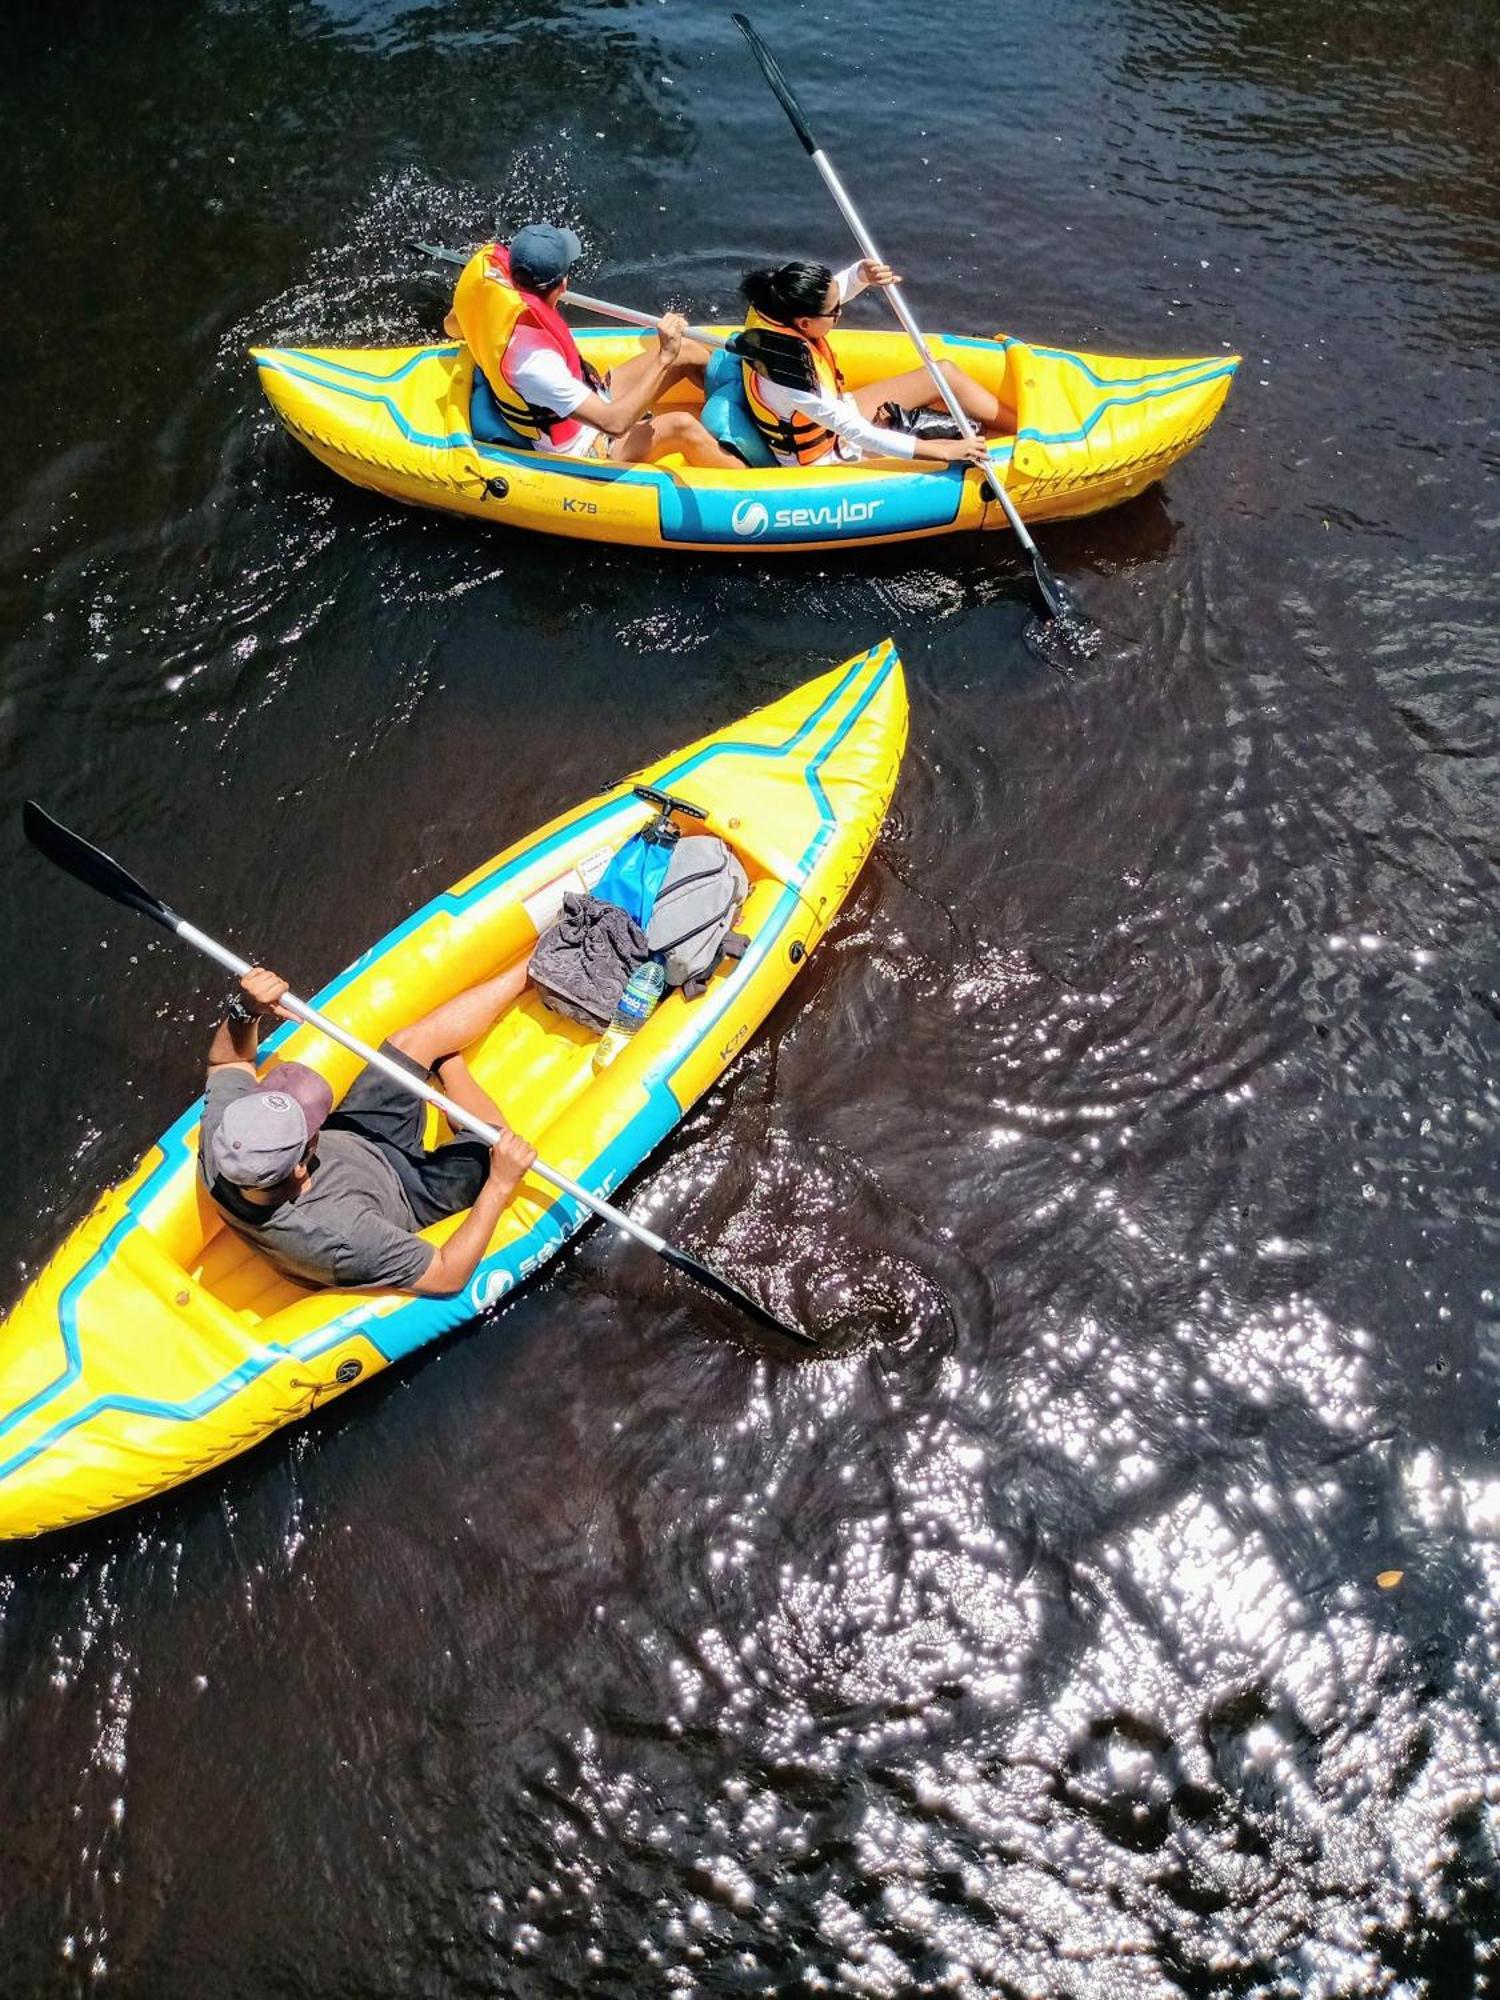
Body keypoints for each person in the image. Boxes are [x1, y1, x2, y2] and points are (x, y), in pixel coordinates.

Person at [198, 962, 537, 1297]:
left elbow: (228, 1063)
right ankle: (449, 1064)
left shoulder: (223, 1136)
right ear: (300, 1165)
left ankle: (532, 969)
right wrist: (499, 1185)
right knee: (493, 1143)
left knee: (410, 1043)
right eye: (310, 1123)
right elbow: (447, 1275)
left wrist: (246, 1010)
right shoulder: (338, 1237)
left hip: (355, 1138)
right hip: (410, 1195)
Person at [445, 222, 741, 469]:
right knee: (680, 426)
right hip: (587, 445)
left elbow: (453, 326)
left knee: (687, 352)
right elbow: (614, 424)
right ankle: (755, 477)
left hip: (591, 394)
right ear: (563, 285)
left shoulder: (498, 296)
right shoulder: (535, 361)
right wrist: (664, 356)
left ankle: (744, 412)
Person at [737, 258, 1001, 470]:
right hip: (825, 459)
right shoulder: (791, 376)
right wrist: (942, 450)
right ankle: (996, 450)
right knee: (951, 450)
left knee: (943, 373)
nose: (839, 313)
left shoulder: (773, 305)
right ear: (804, 323)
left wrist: (860, 274)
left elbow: (828, 295)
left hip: (837, 419)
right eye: (835, 313)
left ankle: (1028, 432)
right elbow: (859, 432)